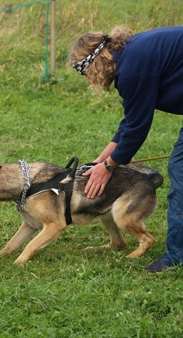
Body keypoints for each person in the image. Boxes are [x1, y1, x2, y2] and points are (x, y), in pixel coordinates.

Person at [70, 25, 183, 272]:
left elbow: (138, 129)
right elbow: (131, 120)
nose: (90, 81)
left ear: (96, 62)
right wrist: (101, 160)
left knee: (179, 169)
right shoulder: (130, 55)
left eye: (86, 73)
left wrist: (108, 167)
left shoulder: (131, 70)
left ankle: (177, 256)